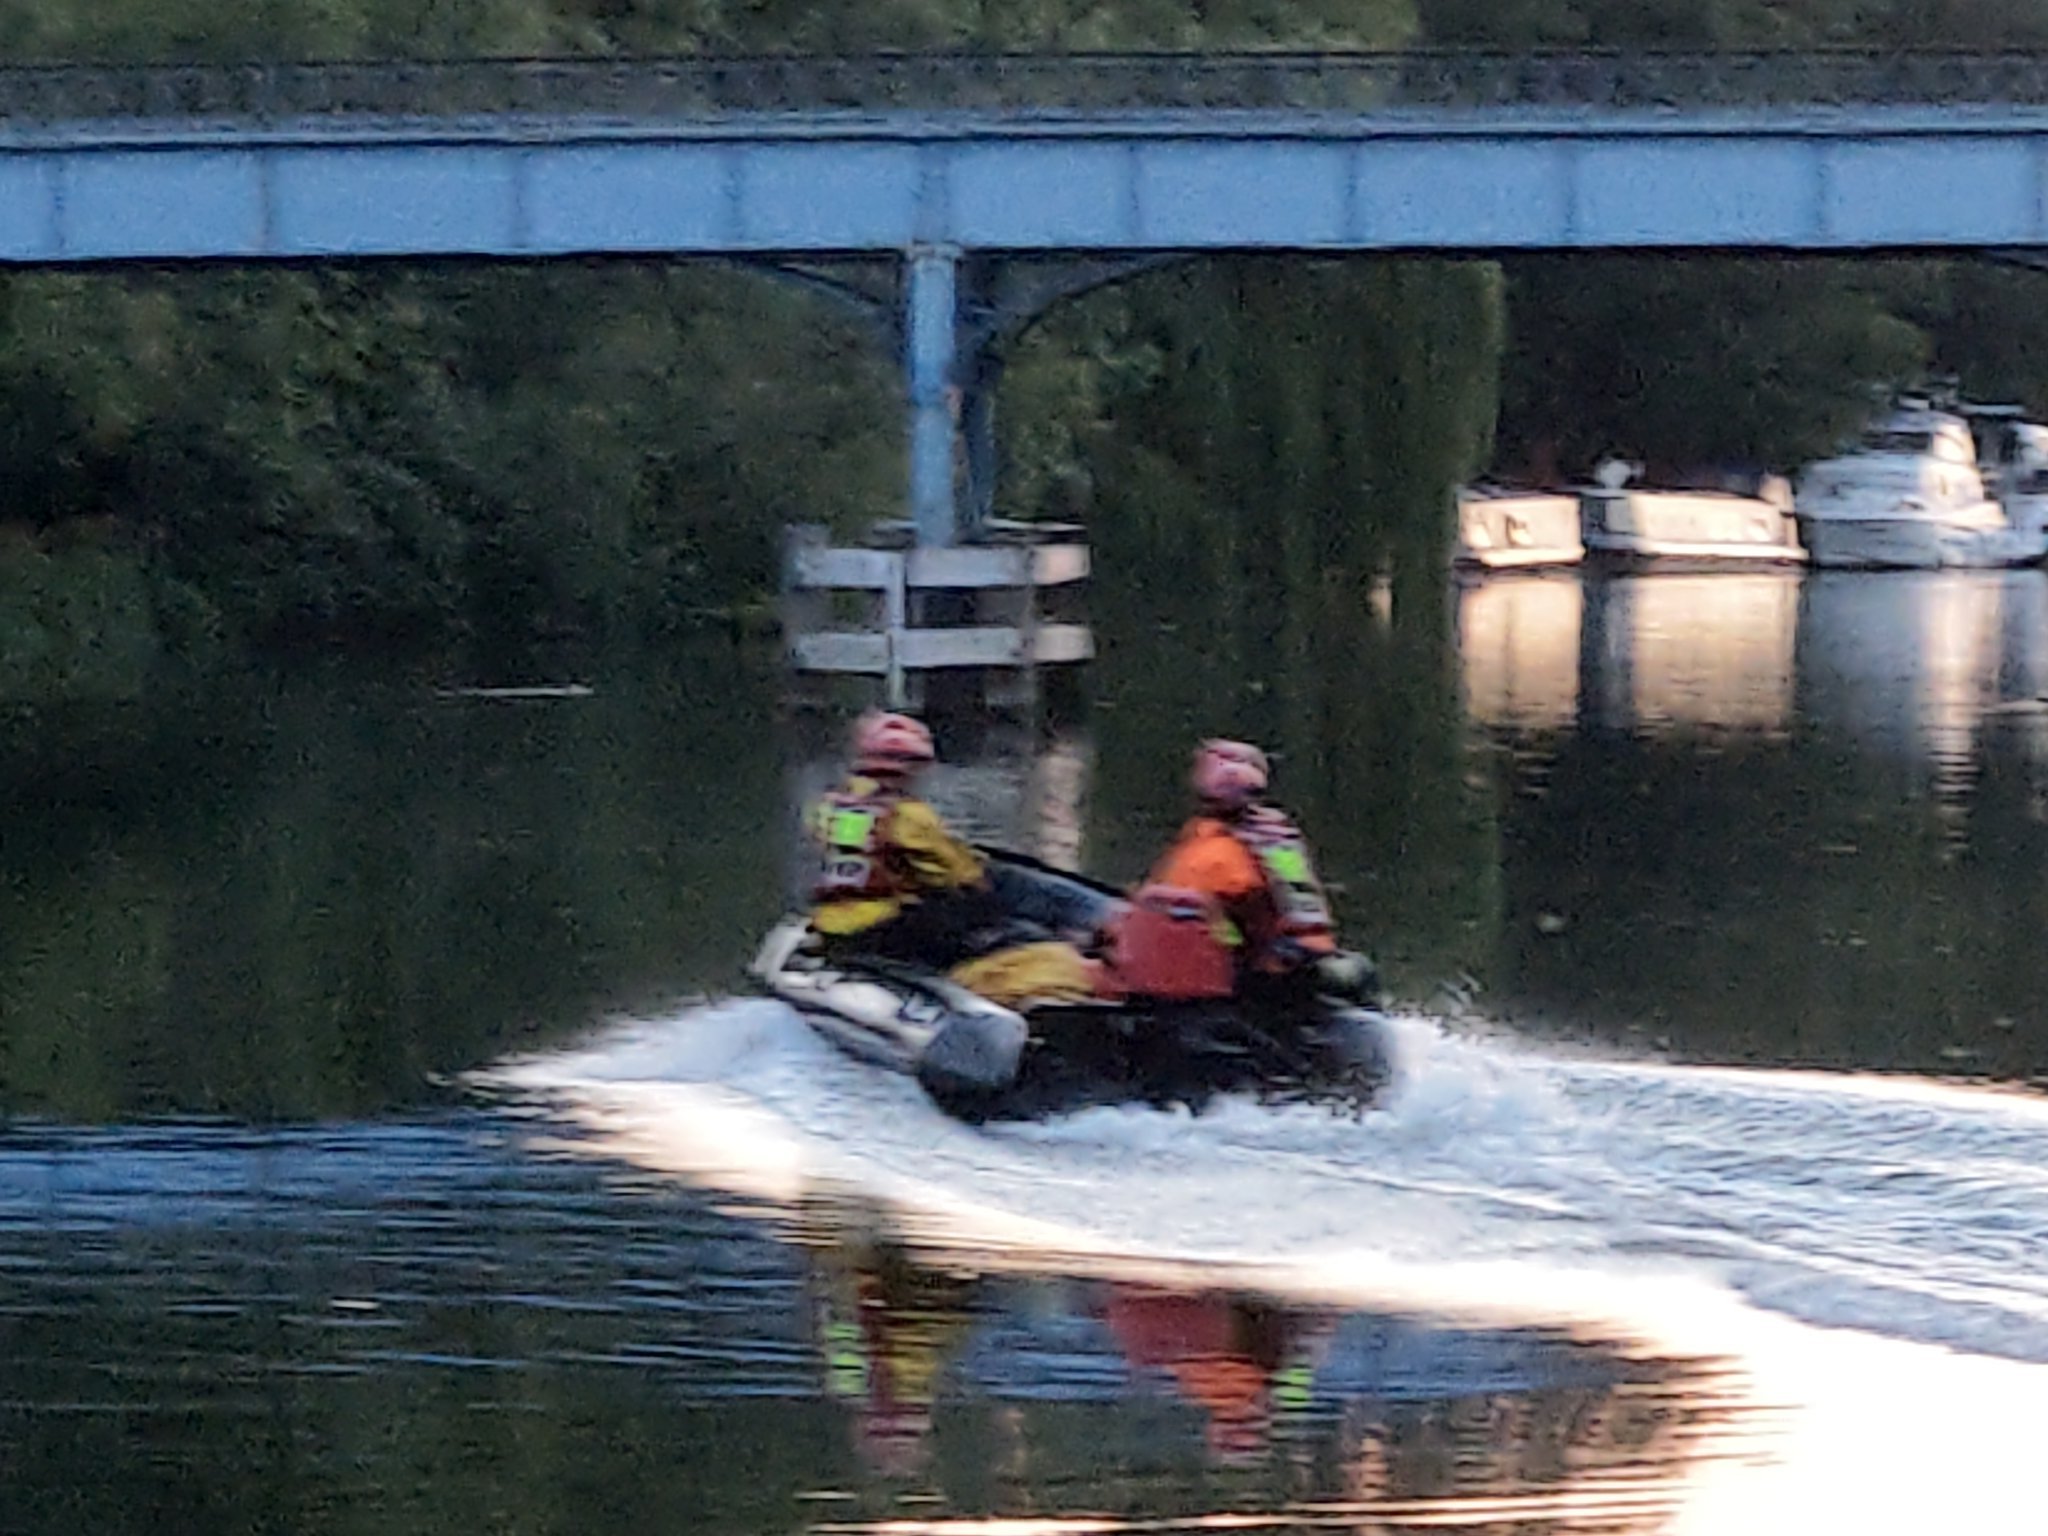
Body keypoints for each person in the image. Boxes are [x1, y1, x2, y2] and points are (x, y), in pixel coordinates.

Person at [1146, 739, 1373, 1001]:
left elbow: (1163, 916)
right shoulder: (1278, 837)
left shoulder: (1213, 854)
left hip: (1268, 976)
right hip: (1310, 956)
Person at [808, 710, 1007, 968]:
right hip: (884, 928)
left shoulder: (829, 806)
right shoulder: (907, 814)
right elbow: (959, 875)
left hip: (829, 922)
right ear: (909, 766)